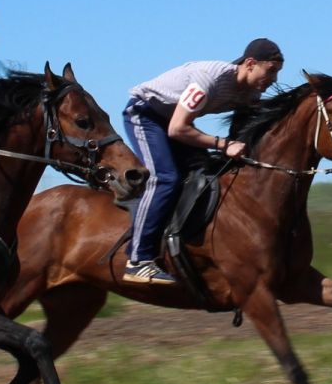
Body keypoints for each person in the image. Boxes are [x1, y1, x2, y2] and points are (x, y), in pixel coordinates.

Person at [120, 39, 284, 286]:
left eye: (277, 73)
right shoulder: (209, 79)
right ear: (250, 64)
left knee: (207, 172)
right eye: (271, 71)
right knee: (166, 178)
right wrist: (223, 145)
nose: (273, 79)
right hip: (145, 116)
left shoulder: (249, 93)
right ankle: (138, 260)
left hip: (174, 123)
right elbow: (177, 129)